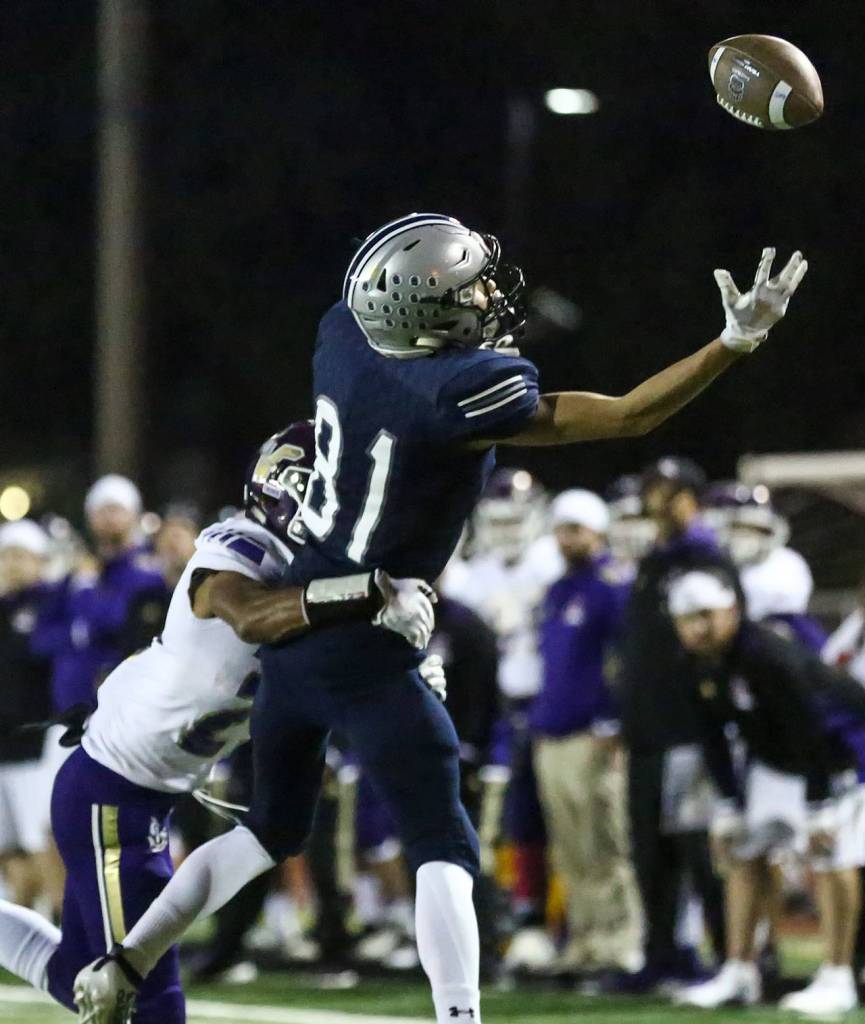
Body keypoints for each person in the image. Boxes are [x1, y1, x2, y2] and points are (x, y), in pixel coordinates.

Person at [80, 215, 808, 1024]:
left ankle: (126, 958)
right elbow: (626, 415)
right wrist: (730, 347)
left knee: (266, 835)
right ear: (426, 315)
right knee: (445, 846)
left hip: (297, 631)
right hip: (372, 634)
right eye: (470, 290)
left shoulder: (341, 335)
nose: (491, 296)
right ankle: (458, 1018)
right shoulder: (461, 388)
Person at [0, 423, 437, 1024]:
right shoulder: (238, 547)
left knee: (80, 973)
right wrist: (372, 592)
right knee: (146, 999)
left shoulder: (314, 577)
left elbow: (325, 669)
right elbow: (255, 617)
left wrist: (403, 677)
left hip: (141, 791)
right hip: (113, 793)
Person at [669, 571, 865, 1015]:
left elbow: (812, 724)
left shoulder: (768, 655)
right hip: (778, 757)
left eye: (706, 615)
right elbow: (712, 736)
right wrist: (729, 802)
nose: (698, 627)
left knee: (833, 855)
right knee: (744, 850)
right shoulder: (694, 660)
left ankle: (838, 976)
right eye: (687, 618)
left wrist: (820, 803)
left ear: (732, 612)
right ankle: (739, 970)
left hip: (843, 751)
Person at [616, 457, 733, 989]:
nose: (658, 501)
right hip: (645, 727)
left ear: (692, 498)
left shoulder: (708, 560)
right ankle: (662, 954)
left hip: (691, 726)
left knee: (699, 853)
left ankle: (732, 959)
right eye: (652, 490)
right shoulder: (653, 561)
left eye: (668, 491)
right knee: (649, 852)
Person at [443, 468, 562, 972]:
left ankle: (552, 922)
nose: (508, 532)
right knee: (502, 824)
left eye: (516, 521)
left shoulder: (553, 564)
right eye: (499, 522)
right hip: (491, 712)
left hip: (548, 705)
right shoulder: (475, 577)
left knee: (553, 822)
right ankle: (515, 920)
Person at [529, 489, 641, 972]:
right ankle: (585, 938)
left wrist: (612, 720)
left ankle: (620, 940)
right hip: (552, 730)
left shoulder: (612, 586)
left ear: (597, 531)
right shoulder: (559, 589)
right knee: (570, 846)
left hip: (591, 733)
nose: (565, 538)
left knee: (604, 841)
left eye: (575, 528)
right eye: (560, 528)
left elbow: (625, 661)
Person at [31, 475, 170, 715]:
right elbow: (39, 638)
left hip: (126, 713)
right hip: (69, 713)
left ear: (133, 515)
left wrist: (86, 588)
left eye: (116, 509)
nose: (108, 518)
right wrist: (77, 634)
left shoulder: (147, 574)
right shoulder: (77, 570)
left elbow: (119, 622)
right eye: (101, 510)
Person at [0, 521, 55, 909]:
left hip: (36, 737)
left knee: (42, 839)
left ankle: (67, 921)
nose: (12, 564)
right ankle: (21, 933)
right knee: (8, 846)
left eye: (21, 555)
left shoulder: (51, 603)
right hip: (2, 741)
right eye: (7, 555)